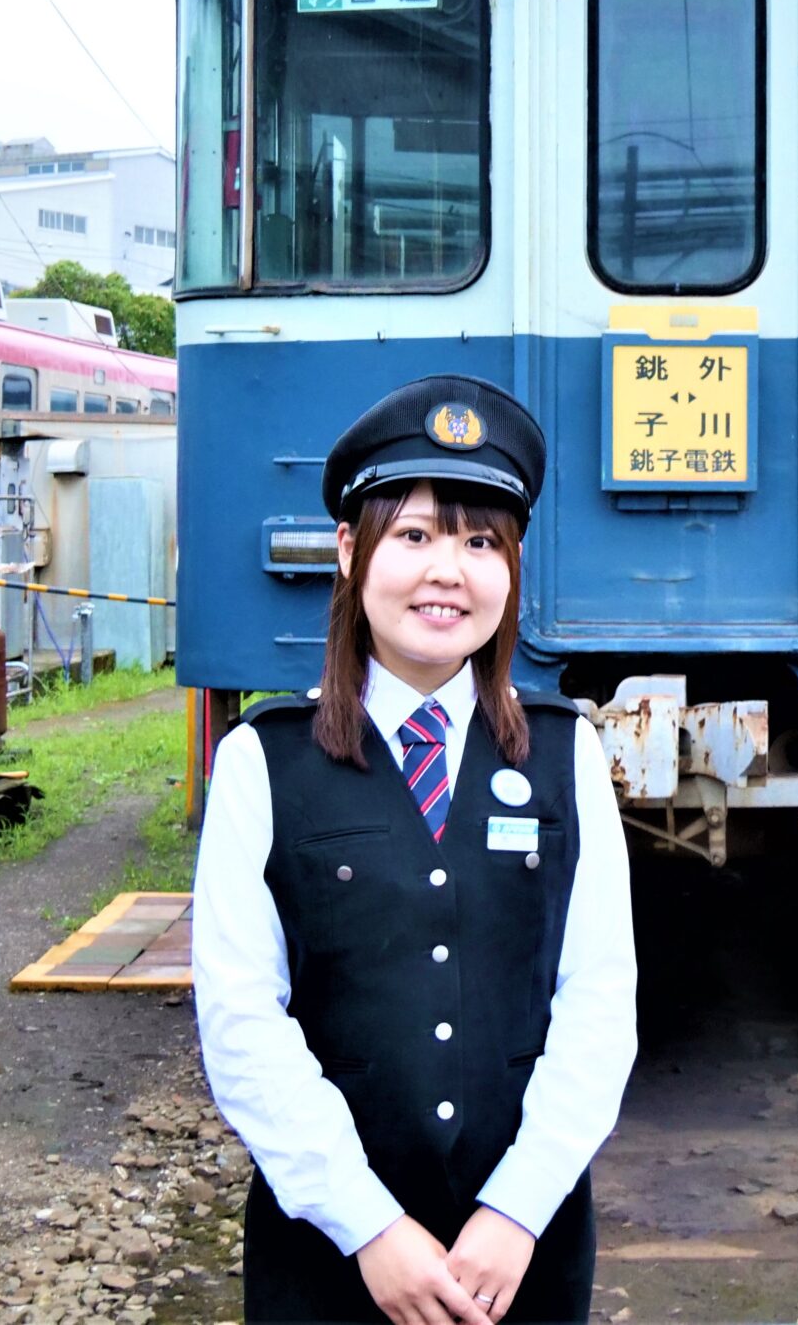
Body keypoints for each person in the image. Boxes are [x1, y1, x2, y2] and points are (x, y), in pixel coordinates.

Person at [194, 375, 638, 1325]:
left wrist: (517, 1210)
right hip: (329, 1256)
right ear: (351, 551)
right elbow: (241, 1021)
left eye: (482, 540)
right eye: (416, 534)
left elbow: (599, 1004)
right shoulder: (261, 762)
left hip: (521, 1255)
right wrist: (368, 1225)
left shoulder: (568, 755)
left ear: (514, 568)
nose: (449, 569)